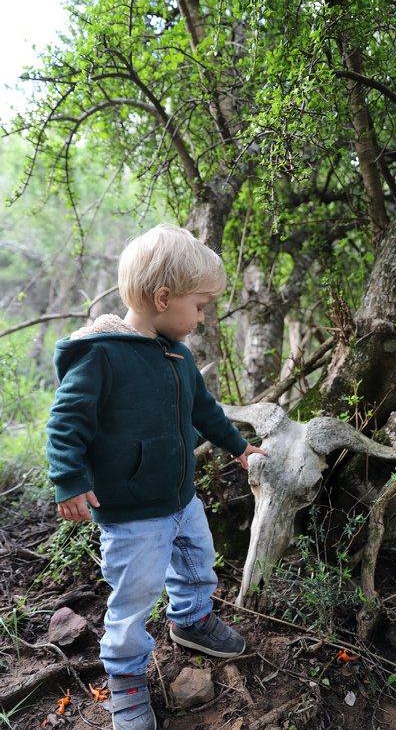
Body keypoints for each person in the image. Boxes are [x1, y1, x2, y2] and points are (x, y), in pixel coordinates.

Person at [46, 224, 266, 730]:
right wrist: (70, 480)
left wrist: (238, 446)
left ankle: (191, 619)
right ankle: (124, 678)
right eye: (200, 305)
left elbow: (205, 410)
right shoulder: (102, 355)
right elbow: (66, 422)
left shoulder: (178, 356)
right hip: (131, 515)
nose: (203, 315)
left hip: (181, 499)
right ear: (164, 298)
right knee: (134, 594)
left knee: (197, 561)